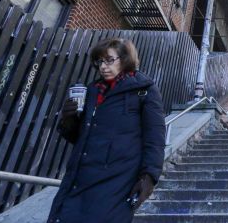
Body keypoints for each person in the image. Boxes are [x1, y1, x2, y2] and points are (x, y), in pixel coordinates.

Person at [47, 38, 166, 223]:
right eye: (99, 61)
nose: (103, 66)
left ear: (125, 59)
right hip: (80, 178)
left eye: (109, 60)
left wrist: (149, 176)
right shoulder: (93, 91)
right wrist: (68, 120)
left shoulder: (144, 90)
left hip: (117, 181)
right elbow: (81, 137)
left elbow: (155, 139)